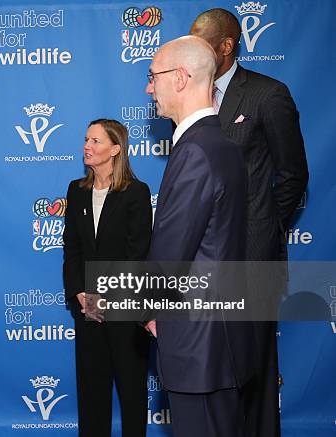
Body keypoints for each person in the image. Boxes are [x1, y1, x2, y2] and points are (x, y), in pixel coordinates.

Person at [190, 9, 309, 437]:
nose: (197, 51)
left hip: (252, 259)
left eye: (205, 43)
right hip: (201, 263)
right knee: (211, 373)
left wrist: (261, 223)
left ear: (227, 45)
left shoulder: (267, 94)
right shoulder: (191, 97)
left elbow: (293, 174)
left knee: (254, 373)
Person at [144, 36, 255, 437]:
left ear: (181, 77)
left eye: (152, 76)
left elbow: (170, 256)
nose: (147, 87)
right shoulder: (222, 144)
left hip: (198, 346)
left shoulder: (194, 151)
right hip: (219, 341)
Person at [63, 119, 152, 437]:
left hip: (126, 309)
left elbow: (137, 254)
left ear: (116, 149)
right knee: (91, 392)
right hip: (87, 310)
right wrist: (80, 294)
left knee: (132, 392)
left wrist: (106, 295)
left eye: (96, 141)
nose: (87, 146)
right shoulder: (76, 190)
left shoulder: (136, 193)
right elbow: (71, 247)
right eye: (86, 139)